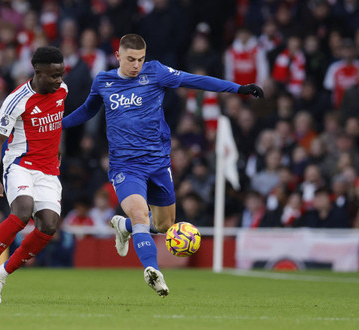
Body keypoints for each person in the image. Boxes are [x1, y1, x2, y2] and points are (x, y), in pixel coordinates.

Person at [62, 34, 264, 297]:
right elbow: (88, 110)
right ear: (118, 57)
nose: (136, 65)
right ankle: (152, 270)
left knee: (164, 225)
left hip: (158, 164)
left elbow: (196, 80)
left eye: (141, 59)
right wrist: (58, 124)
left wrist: (238, 88)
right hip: (126, 166)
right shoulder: (104, 80)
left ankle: (123, 228)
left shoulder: (156, 72)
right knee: (140, 215)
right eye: (131, 59)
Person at [0, 46, 67, 304]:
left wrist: (57, 152)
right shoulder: (16, 100)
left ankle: (2, 273)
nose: (59, 80)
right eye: (54, 75)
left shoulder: (62, 92)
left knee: (49, 226)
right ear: (38, 72)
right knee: (22, 212)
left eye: (61, 74)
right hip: (20, 164)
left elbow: (56, 126)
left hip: (48, 170)